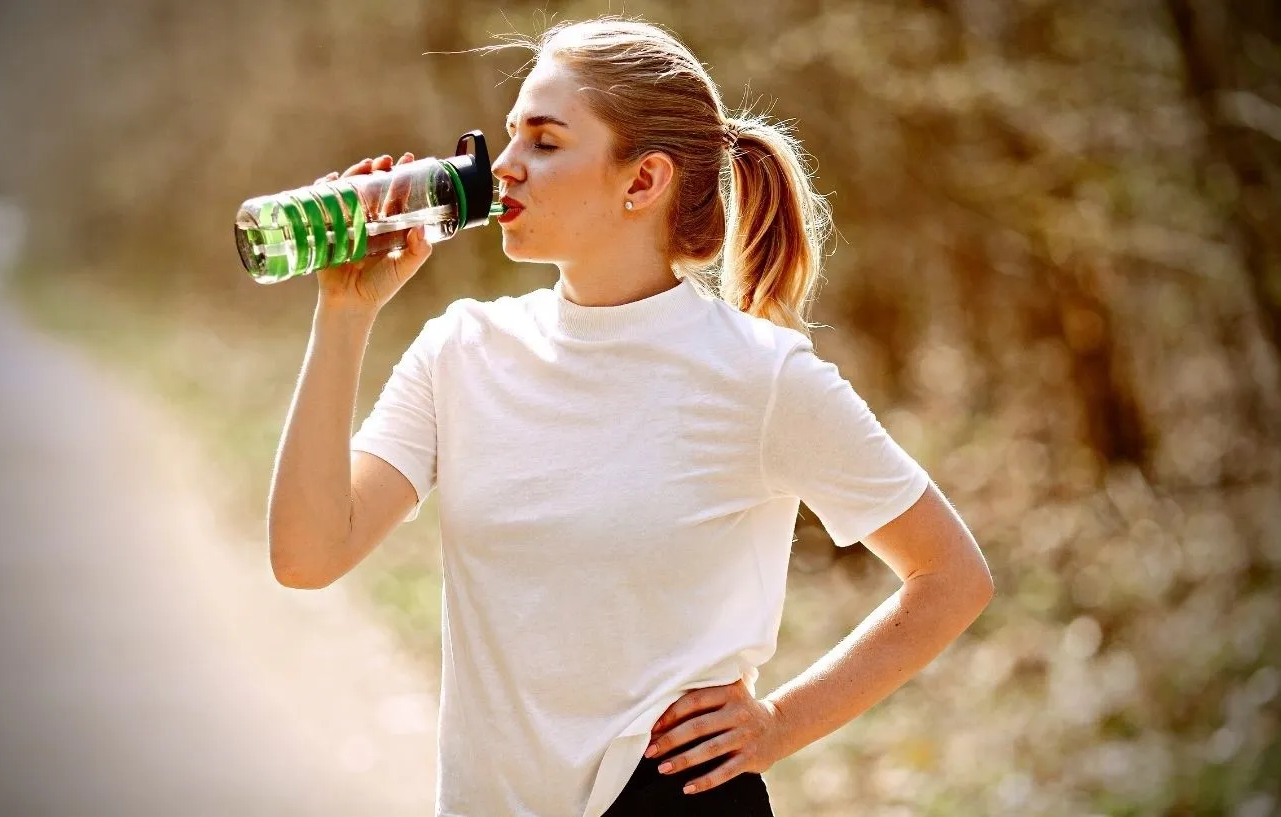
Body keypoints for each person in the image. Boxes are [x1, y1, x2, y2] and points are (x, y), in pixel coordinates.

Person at [267, 15, 994, 817]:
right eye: (511, 136)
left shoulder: (762, 377)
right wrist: (344, 314)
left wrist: (780, 722)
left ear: (641, 182)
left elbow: (950, 577)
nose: (503, 167)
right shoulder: (461, 350)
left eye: (544, 142)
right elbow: (308, 554)